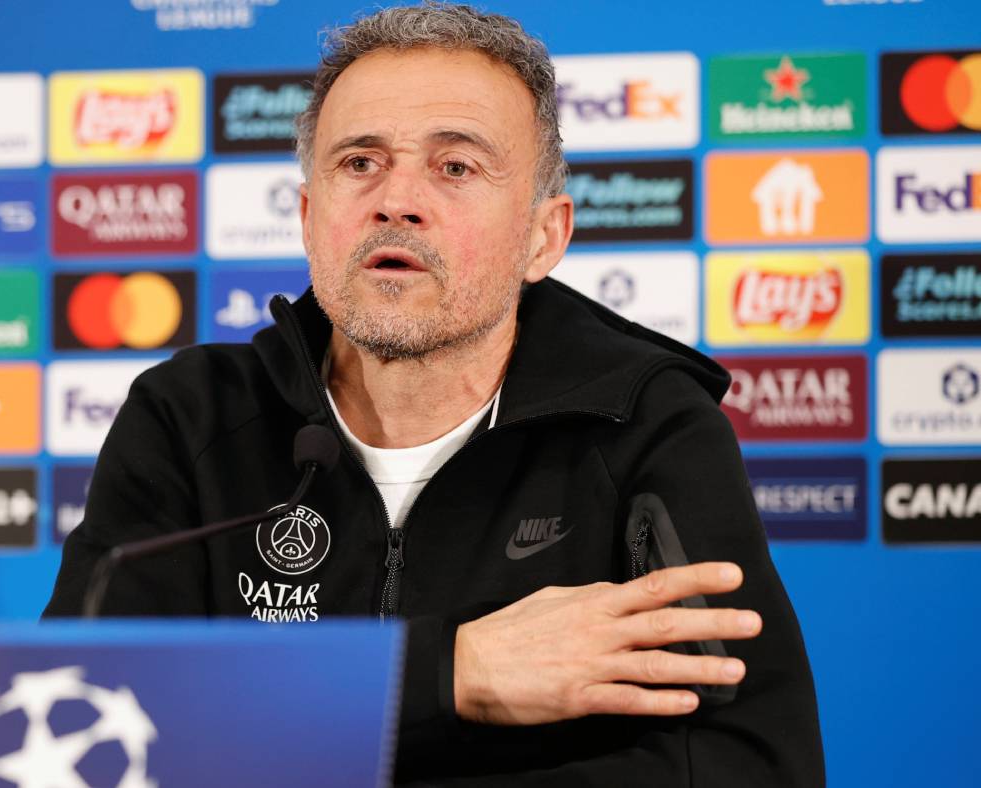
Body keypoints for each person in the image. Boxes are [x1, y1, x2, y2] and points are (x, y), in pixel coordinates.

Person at [46, 2, 825, 784]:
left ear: (543, 237)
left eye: (455, 167)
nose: (396, 200)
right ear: (310, 220)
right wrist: (452, 672)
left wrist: (296, 716)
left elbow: (752, 767)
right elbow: (84, 728)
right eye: (360, 163)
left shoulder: (645, 425)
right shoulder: (190, 418)